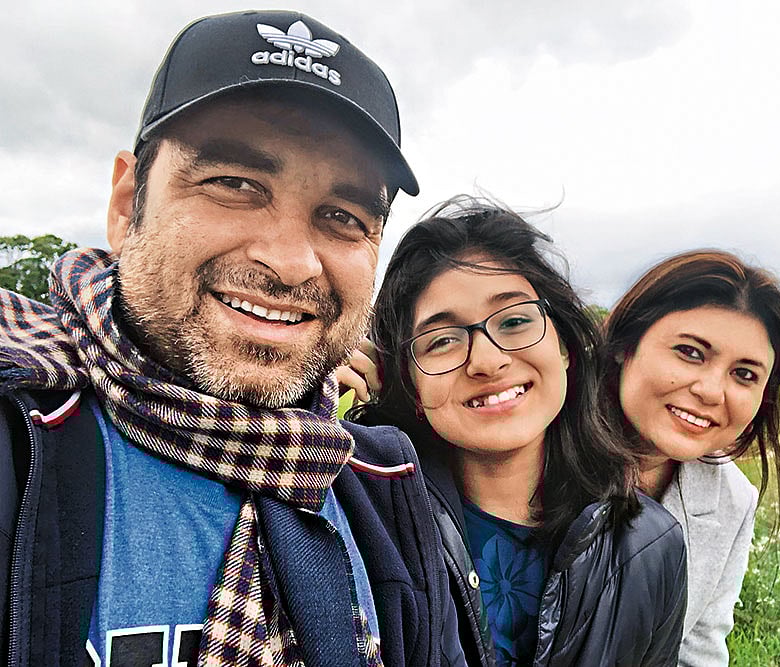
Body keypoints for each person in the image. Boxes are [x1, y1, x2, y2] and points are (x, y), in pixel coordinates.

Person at [0, 10, 464, 667]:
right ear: (127, 205)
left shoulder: (383, 489)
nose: (292, 262)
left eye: (342, 216)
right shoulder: (20, 440)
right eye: (235, 184)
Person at [346, 197, 688, 667]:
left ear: (564, 346)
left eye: (514, 321)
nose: (487, 362)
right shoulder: (361, 522)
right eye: (442, 340)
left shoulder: (651, 547)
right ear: (408, 381)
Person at [601, 249, 780, 667]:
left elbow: (699, 651)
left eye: (744, 374)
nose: (711, 391)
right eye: (690, 352)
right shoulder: (530, 455)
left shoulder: (732, 500)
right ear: (625, 344)